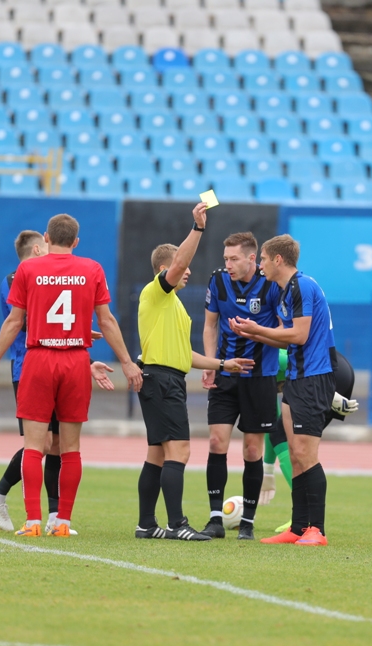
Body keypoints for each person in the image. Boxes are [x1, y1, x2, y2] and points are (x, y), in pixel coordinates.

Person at [0, 214, 143, 538]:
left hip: (38, 359)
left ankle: (33, 522)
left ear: (46, 238)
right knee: (71, 448)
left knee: (34, 446)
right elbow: (107, 321)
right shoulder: (92, 269)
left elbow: (13, 322)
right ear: (76, 242)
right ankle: (63, 522)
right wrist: (126, 362)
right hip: (75, 360)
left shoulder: (27, 269)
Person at [134, 203, 254, 542]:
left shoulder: (172, 306)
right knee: (180, 451)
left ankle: (146, 524)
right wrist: (198, 228)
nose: (187, 271)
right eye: (178, 267)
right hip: (162, 380)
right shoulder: (156, 292)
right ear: (164, 269)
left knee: (157, 453)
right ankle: (177, 525)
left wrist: (220, 364)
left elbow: (183, 354)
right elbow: (181, 262)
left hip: (163, 378)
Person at [229, 234, 337, 546]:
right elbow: (283, 337)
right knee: (295, 454)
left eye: (262, 259)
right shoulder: (286, 290)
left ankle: (317, 529)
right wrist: (254, 333)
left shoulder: (302, 285)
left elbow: (300, 335)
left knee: (306, 454)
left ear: (278, 260)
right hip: (296, 376)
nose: (259, 264)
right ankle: (299, 526)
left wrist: (256, 329)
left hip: (314, 377)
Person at [200, 231, 281, 541]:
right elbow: (209, 324)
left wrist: (254, 332)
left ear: (251, 258)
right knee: (216, 442)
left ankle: (247, 522)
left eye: (234, 259)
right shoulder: (218, 281)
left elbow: (285, 329)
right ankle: (215, 519)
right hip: (226, 376)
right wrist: (211, 364)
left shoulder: (271, 284)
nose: (228, 264)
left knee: (251, 449)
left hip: (260, 378)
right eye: (225, 259)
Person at [259, 347, 359, 533]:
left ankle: (308, 523)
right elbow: (271, 423)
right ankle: (301, 521)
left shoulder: (259, 361)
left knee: (302, 449)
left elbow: (294, 361)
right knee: (287, 437)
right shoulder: (256, 374)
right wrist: (267, 471)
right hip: (327, 374)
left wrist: (329, 394)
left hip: (329, 377)